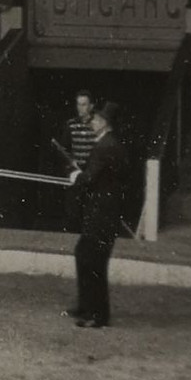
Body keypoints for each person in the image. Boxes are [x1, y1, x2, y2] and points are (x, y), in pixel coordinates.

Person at [64, 101, 127, 329]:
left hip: (102, 214)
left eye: (97, 120)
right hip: (101, 213)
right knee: (83, 253)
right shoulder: (109, 144)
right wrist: (83, 176)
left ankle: (98, 315)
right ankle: (86, 305)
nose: (92, 123)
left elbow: (89, 179)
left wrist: (76, 178)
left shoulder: (105, 146)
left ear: (105, 124)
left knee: (94, 261)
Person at [59, 90, 98, 170]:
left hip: (93, 171)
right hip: (76, 170)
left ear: (91, 106)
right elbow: (64, 148)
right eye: (78, 104)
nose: (80, 108)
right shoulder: (71, 124)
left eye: (83, 105)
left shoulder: (98, 125)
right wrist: (71, 162)